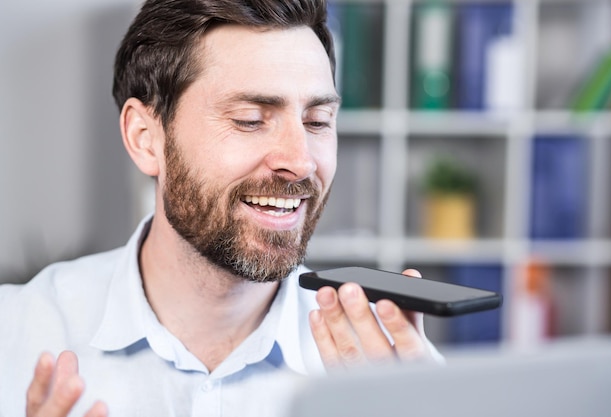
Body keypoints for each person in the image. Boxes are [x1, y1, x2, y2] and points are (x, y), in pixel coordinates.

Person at [0, 0, 442, 416]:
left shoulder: (393, 373)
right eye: (250, 120)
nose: (301, 160)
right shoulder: (16, 335)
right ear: (144, 137)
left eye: (317, 122)